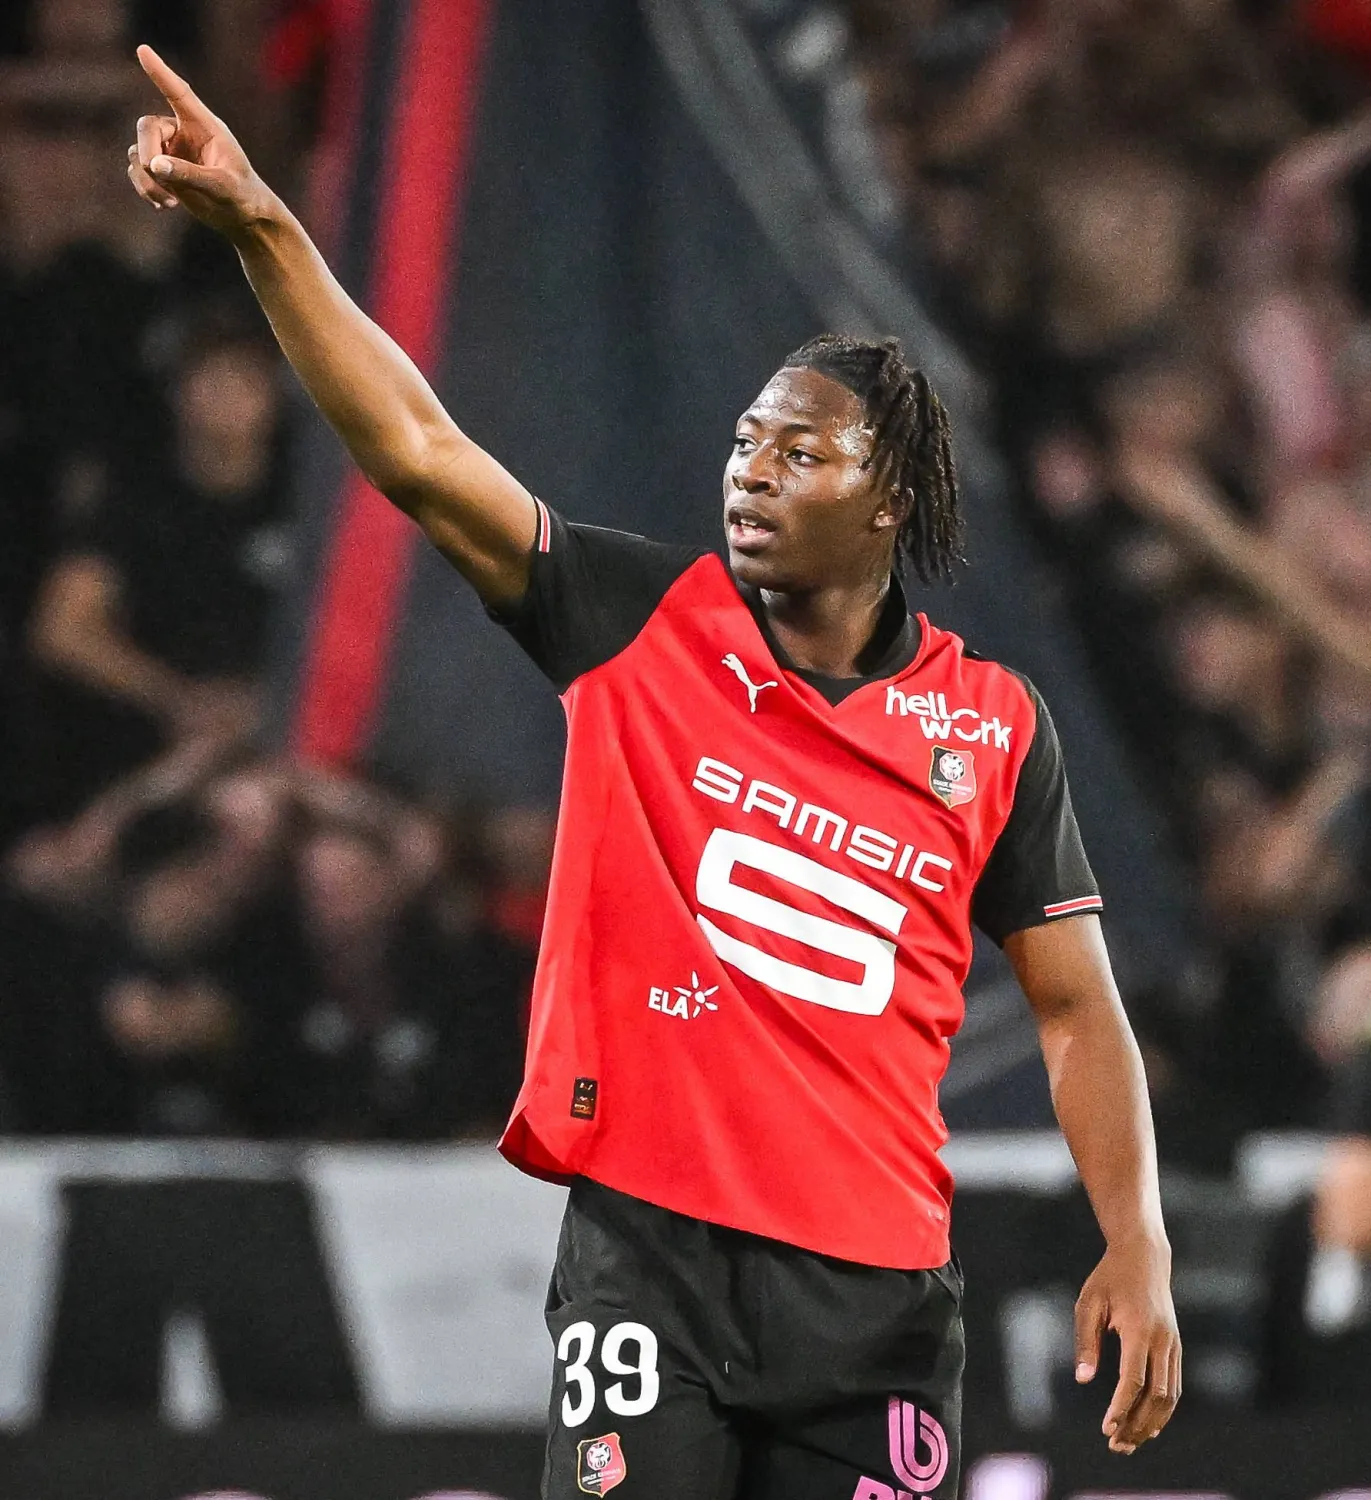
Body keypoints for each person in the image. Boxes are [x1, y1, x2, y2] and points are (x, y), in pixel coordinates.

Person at [124, 45, 1181, 1494]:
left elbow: (1073, 1006)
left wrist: (1136, 1239)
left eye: (798, 451)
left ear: (887, 501)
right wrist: (266, 230)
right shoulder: (643, 625)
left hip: (873, 1291)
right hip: (649, 1263)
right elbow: (419, 451)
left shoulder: (992, 726)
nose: (751, 469)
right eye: (747, 443)